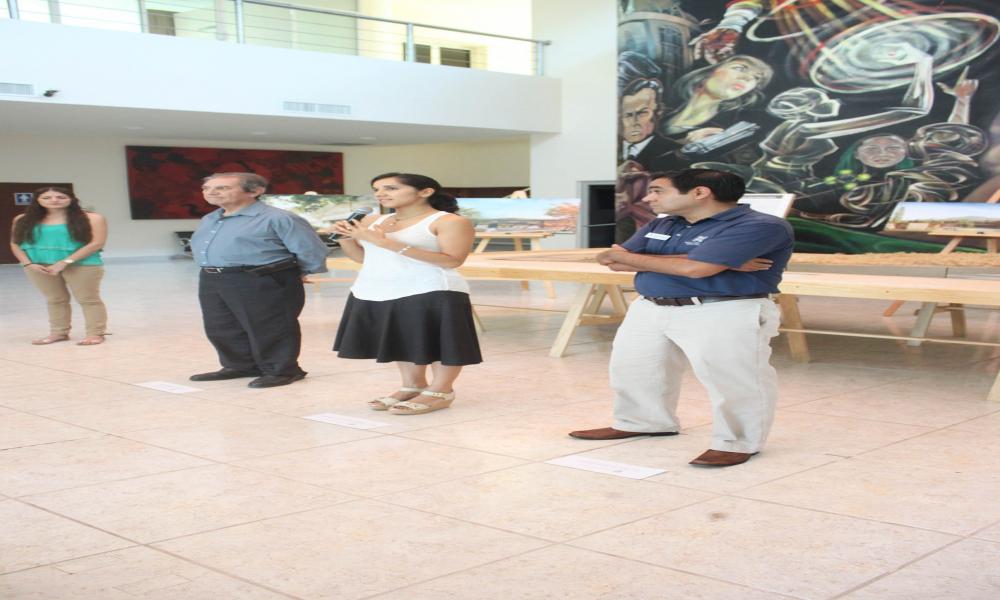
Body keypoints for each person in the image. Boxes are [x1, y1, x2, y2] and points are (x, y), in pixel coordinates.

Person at [569, 169, 794, 467]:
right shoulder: (664, 223)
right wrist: (710, 260)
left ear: (700, 193)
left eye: (658, 190)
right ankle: (642, 422)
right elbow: (610, 259)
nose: (648, 197)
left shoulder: (762, 226)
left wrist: (698, 263)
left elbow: (696, 271)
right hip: (650, 306)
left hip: (723, 309)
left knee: (734, 380)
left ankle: (738, 442)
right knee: (634, 369)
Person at [331, 172, 481, 415]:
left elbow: (452, 260)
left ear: (425, 192)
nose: (381, 194)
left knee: (440, 342)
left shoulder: (448, 221)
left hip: (431, 289)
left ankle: (441, 391)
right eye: (377, 189)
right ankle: (412, 386)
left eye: (391, 188)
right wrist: (345, 238)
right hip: (378, 289)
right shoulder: (372, 221)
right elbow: (363, 258)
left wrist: (386, 242)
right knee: (403, 339)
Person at [188, 172, 329, 388]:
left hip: (260, 277)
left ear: (255, 191)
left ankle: (282, 370)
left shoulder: (278, 218)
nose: (211, 192)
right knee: (222, 326)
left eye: (222, 188)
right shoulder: (211, 218)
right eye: (206, 188)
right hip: (213, 277)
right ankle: (240, 365)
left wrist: (301, 272)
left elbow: (310, 248)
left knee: (270, 326)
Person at [10, 187, 109, 346]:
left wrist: (64, 263)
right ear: (37, 200)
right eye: (47, 197)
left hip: (82, 264)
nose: (54, 200)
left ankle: (95, 333)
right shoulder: (22, 219)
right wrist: (28, 264)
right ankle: (59, 333)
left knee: (88, 299)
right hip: (38, 266)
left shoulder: (92, 218)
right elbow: (15, 244)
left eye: (60, 197)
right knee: (55, 299)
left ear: (71, 199)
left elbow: (96, 243)